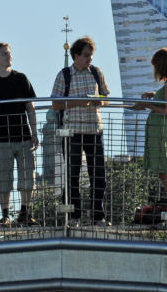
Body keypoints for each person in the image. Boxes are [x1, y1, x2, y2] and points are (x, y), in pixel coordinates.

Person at [51, 36, 111, 226]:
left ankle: (97, 216)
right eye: (86, 55)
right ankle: (73, 216)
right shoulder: (64, 75)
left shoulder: (96, 72)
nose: (89, 59)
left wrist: (97, 99)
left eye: (91, 56)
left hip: (94, 130)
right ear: (76, 55)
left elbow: (106, 98)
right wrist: (79, 101)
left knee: (98, 175)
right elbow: (55, 103)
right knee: (72, 175)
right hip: (72, 132)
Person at [0, 43, 40, 226]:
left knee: (28, 177)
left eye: (10, 53)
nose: (9, 56)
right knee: (4, 179)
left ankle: (25, 213)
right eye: (5, 54)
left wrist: (35, 133)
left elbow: (30, 107)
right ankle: (5, 215)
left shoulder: (21, 79)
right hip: (2, 139)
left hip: (23, 136)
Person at [132, 48, 167, 224]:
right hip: (161, 130)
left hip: (161, 130)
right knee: (164, 173)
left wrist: (148, 104)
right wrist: (154, 95)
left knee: (166, 173)